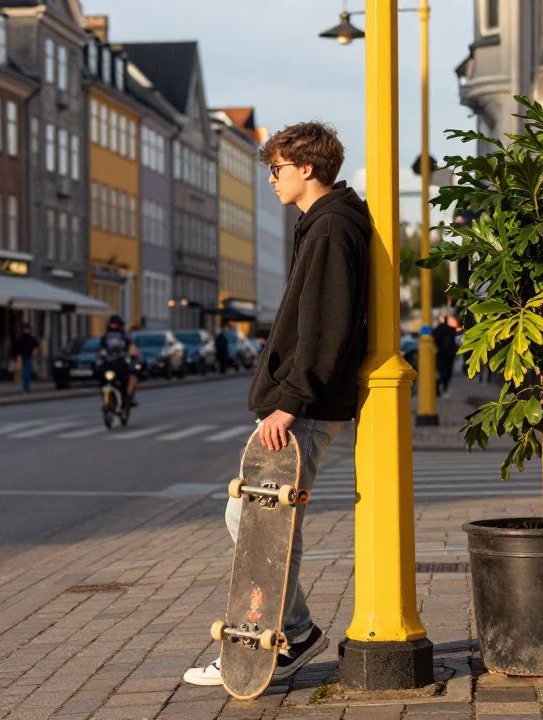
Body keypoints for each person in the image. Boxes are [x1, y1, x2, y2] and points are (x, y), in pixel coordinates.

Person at [184, 121, 369, 687]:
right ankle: (292, 630)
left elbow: (325, 326)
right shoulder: (322, 223)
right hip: (301, 403)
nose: (271, 179)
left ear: (306, 169)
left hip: (303, 409)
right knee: (259, 519)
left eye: (277, 169)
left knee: (257, 521)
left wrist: (290, 402)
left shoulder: (332, 229)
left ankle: (282, 637)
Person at [96, 314, 141, 407]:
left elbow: (132, 348)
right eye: (112, 324)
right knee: (101, 377)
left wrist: (132, 354)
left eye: (115, 324)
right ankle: (106, 397)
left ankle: (127, 398)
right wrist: (100, 355)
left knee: (126, 377)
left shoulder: (124, 336)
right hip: (109, 362)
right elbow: (101, 349)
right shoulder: (106, 337)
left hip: (120, 362)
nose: (114, 326)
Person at [433, 314, 459, 397]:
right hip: (449, 354)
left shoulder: (438, 330)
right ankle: (444, 385)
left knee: (441, 371)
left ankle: (439, 386)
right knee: (447, 371)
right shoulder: (451, 330)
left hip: (440, 353)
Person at [13, 324, 39, 394]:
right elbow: (16, 348)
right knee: (23, 372)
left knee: (27, 372)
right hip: (21, 357)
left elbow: (35, 347)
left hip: (28, 357)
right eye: (25, 329)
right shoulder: (21, 339)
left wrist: (34, 355)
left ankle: (26, 386)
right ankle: (25, 386)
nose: (26, 330)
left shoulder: (31, 339)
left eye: (27, 329)